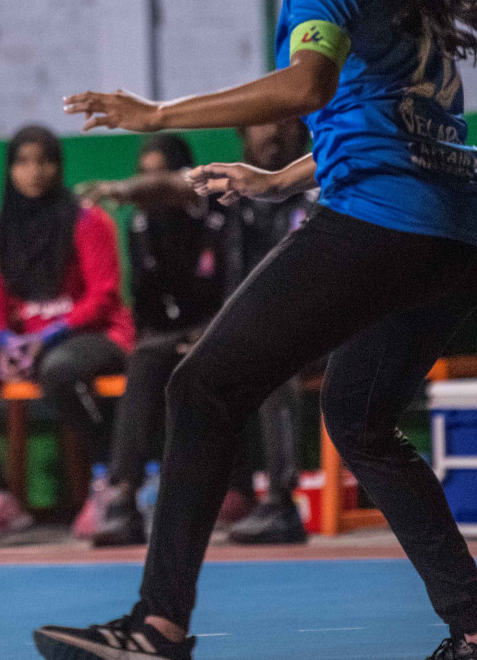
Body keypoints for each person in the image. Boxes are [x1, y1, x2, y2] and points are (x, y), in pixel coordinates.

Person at [37, 0, 477, 660]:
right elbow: (389, 110)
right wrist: (285, 176)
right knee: (363, 421)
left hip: (390, 221)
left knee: (200, 388)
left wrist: (157, 115)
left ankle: (155, 628)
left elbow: (309, 86)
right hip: (462, 230)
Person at [85, 125, 312, 548]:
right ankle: (123, 498)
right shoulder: (233, 189)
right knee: (150, 354)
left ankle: (280, 502)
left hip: (315, 327)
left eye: (283, 120)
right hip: (240, 327)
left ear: (304, 130)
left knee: (271, 358)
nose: (273, 132)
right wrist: (124, 188)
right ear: (244, 132)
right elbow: (175, 184)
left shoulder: (324, 188)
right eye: (263, 121)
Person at [0, 126, 133, 544]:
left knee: (59, 371)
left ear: (58, 166)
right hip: (28, 345)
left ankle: (111, 483)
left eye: (44, 161)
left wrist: (48, 335)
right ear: (10, 169)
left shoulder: (87, 219)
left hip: (95, 334)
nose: (35, 172)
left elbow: (105, 296)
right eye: (24, 161)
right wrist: (5, 344)